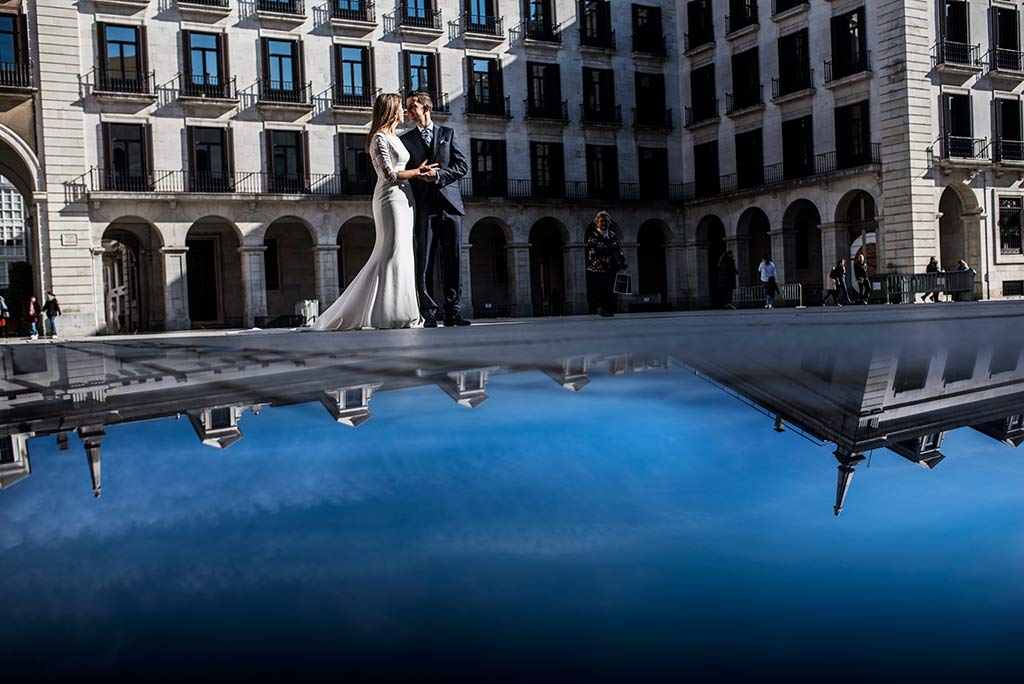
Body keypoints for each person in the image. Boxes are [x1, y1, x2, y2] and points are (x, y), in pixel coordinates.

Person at [312, 94, 437, 331]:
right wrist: (418, 172)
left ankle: (402, 311)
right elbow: (388, 173)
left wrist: (416, 171)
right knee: (389, 251)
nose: (405, 112)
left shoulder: (395, 137)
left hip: (404, 197)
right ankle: (383, 313)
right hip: (389, 198)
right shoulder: (378, 138)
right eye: (401, 108)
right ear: (391, 111)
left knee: (403, 253)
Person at [401, 91, 471, 328]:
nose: (408, 112)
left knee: (453, 260)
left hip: (451, 207)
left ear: (426, 108)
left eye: (412, 107)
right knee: (425, 261)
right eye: (407, 108)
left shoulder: (448, 134)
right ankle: (428, 313)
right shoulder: (405, 140)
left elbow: (462, 166)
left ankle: (453, 312)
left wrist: (439, 175)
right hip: (424, 207)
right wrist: (419, 176)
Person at [585, 211, 627, 317]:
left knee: (611, 288)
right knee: (601, 288)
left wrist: (621, 260)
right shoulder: (593, 235)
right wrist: (599, 262)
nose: (604, 224)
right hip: (597, 268)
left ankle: (609, 308)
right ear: (597, 223)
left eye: (606, 221)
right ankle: (601, 308)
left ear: (609, 223)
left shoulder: (612, 235)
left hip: (611, 267)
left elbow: (618, 249)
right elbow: (591, 251)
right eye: (602, 221)